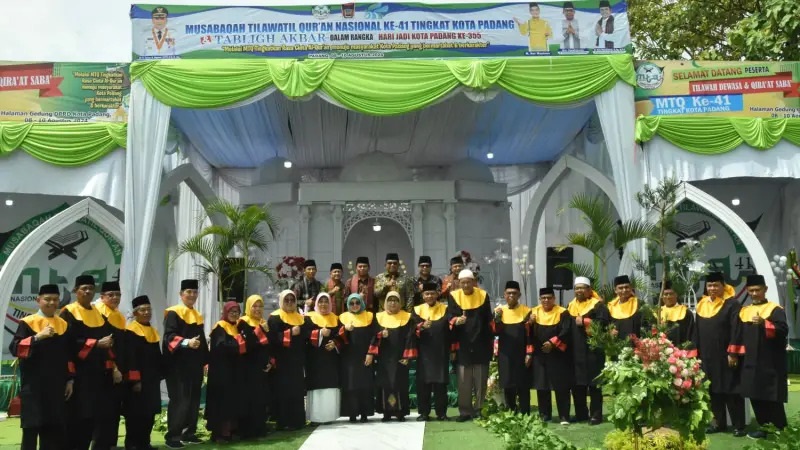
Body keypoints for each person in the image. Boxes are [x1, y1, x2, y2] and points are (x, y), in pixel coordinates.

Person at [9, 284, 74, 450]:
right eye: (47, 299)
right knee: (31, 429)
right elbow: (15, 349)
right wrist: (37, 337)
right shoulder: (28, 323)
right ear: (38, 300)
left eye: (55, 299)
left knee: (53, 431)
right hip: (34, 386)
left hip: (56, 386)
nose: (52, 303)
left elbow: (69, 355)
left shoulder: (63, 325)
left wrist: (70, 380)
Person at [60, 275, 115, 450]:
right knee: (77, 416)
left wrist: (113, 365)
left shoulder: (99, 314)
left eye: (91, 288)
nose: (88, 291)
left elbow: (108, 339)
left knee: (94, 416)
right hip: (79, 373)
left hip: (98, 373)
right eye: (84, 288)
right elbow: (68, 343)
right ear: (75, 291)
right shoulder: (68, 312)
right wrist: (96, 344)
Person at [690, 271, 745, 437]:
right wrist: (695, 353)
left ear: (723, 286)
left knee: (731, 390)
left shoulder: (732, 304)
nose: (712, 288)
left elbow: (736, 329)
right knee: (712, 390)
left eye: (716, 285)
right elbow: (696, 331)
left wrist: (733, 353)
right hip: (706, 356)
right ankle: (718, 424)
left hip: (725, 355)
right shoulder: (702, 304)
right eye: (710, 285)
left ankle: (738, 425)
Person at [737, 274, 788, 439]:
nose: (754, 293)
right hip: (750, 361)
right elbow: (738, 335)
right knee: (755, 394)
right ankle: (764, 427)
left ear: (765, 289)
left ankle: (780, 427)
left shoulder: (775, 310)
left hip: (770, 361)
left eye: (757, 290)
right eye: (751, 290)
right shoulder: (744, 311)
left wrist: (765, 323)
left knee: (771, 396)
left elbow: (783, 330)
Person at [163, 279, 209, 449]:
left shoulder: (197, 315)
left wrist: (206, 361)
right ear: (181, 294)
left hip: (194, 365)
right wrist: (186, 342)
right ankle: (172, 436)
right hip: (178, 366)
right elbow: (169, 337)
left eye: (195, 292)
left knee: (194, 400)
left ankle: (189, 433)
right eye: (188, 292)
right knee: (180, 400)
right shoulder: (173, 313)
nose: (192, 295)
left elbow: (202, 341)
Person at [446, 269, 493, 422]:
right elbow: (450, 315)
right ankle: (465, 411)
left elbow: (488, 319)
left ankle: (479, 409)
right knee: (463, 380)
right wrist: (456, 320)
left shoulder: (483, 295)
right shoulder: (454, 296)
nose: (466, 285)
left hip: (481, 342)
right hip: (462, 343)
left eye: (468, 282)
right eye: (463, 282)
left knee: (480, 379)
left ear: (474, 282)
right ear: (459, 283)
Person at [567, 277, 608, 425]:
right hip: (575, 351)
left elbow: (603, 324)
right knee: (577, 385)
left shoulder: (598, 306)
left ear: (589, 290)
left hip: (593, 351)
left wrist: (584, 321)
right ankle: (581, 414)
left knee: (594, 384)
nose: (579, 290)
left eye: (582, 288)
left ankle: (596, 415)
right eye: (577, 288)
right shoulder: (570, 306)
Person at [268, 290, 311, 430]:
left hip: (297, 361)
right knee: (282, 391)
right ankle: (283, 422)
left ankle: (297, 421)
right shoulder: (274, 318)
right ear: (281, 301)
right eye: (286, 300)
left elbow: (307, 335)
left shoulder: (301, 318)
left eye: (292, 300)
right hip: (281, 361)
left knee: (297, 391)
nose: (290, 303)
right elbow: (272, 338)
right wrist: (290, 333)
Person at [123, 295, 163, 450]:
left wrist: (161, 373)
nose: (147, 313)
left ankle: (145, 443)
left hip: (151, 380)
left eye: (149, 310)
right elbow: (130, 358)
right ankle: (132, 444)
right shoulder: (130, 332)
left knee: (149, 412)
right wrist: (135, 380)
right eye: (143, 310)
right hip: (138, 381)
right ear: (135, 313)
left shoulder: (152, 331)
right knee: (135, 414)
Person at [370, 291, 417, 422]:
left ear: (400, 302)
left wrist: (407, 356)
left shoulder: (407, 317)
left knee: (399, 384)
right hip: (384, 358)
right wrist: (380, 335)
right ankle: (387, 412)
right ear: (385, 302)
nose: (392, 303)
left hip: (400, 357)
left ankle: (400, 412)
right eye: (390, 300)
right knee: (386, 384)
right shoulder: (378, 317)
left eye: (395, 300)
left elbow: (410, 337)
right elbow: (373, 336)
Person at [530, 287, 573, 425]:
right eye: (543, 298)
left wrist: (552, 343)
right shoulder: (534, 312)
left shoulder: (562, 312)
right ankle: (544, 414)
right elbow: (527, 332)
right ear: (540, 299)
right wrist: (529, 323)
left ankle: (564, 416)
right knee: (542, 385)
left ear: (554, 299)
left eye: (549, 298)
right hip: (540, 355)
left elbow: (566, 330)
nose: (546, 300)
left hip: (558, 354)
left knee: (561, 385)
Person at [206, 301, 246, 443]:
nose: (234, 314)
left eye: (237, 312)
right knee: (221, 403)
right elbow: (221, 347)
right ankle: (220, 434)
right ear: (225, 312)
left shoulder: (236, 327)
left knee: (232, 402)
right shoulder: (220, 327)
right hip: (221, 372)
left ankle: (230, 431)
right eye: (231, 311)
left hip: (233, 372)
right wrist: (239, 344)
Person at [411, 281, 452, 422]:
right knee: (424, 384)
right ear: (423, 295)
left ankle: (442, 413)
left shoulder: (445, 309)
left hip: (441, 351)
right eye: (427, 294)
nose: (429, 296)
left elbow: (450, 328)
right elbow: (411, 330)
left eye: (432, 294)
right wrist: (421, 327)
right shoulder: (417, 310)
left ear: (437, 294)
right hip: (424, 352)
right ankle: (424, 412)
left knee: (441, 384)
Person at [491, 281, 533, 414]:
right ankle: (511, 410)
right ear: (504, 295)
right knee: (507, 382)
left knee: (523, 384)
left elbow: (530, 335)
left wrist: (529, 353)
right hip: (505, 353)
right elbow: (495, 332)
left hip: (522, 353)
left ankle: (525, 412)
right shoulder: (499, 311)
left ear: (519, 295)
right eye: (508, 293)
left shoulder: (526, 311)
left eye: (514, 293)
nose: (511, 296)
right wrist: (497, 319)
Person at [93, 281, 126, 450]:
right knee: (102, 410)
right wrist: (114, 368)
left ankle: (111, 443)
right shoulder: (98, 314)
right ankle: (100, 444)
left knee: (114, 408)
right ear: (102, 297)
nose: (115, 298)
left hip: (116, 369)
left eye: (118, 295)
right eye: (110, 295)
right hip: (103, 369)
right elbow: (106, 346)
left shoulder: (118, 315)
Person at [237, 294, 273, 439]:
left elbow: (269, 344)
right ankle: (248, 431)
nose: (258, 309)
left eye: (260, 306)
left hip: (263, 368)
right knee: (249, 399)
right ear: (248, 307)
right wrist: (259, 330)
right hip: (248, 367)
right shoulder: (243, 322)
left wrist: (270, 362)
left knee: (261, 399)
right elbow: (247, 344)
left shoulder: (264, 322)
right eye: (254, 306)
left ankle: (260, 427)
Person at [338, 293, 377, 422]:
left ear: (362, 303)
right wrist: (344, 329)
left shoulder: (370, 316)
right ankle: (352, 413)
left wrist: (371, 353)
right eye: (351, 303)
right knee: (351, 385)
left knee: (365, 385)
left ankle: (365, 413)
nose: (355, 305)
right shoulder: (342, 318)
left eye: (357, 302)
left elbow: (375, 336)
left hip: (365, 357)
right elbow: (338, 337)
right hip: (349, 358)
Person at [306, 293, 342, 424]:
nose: (323, 304)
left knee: (330, 386)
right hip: (315, 360)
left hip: (331, 360)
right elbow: (305, 335)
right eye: (320, 301)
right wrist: (320, 333)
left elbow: (342, 336)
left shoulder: (336, 319)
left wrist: (335, 343)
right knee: (317, 387)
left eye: (326, 301)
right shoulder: (309, 318)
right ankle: (315, 418)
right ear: (316, 303)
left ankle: (329, 416)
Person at [607, 275, 642, 342]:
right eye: (620, 288)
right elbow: (606, 326)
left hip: (635, 344)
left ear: (630, 288)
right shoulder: (611, 307)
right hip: (616, 344)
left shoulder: (638, 304)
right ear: (615, 290)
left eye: (626, 287)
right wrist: (609, 332)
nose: (624, 290)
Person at [659, 280, 694, 347]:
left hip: (681, 350)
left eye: (671, 294)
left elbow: (691, 334)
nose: (668, 297)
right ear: (661, 296)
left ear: (676, 295)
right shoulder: (657, 312)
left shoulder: (685, 312)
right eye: (665, 294)